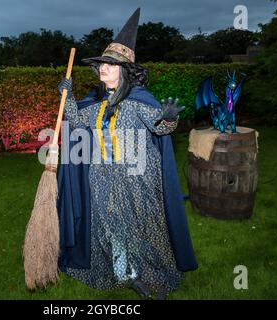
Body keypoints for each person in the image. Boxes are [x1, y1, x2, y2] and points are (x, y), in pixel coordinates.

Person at [56, 8, 197, 300]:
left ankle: (152, 273)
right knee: (111, 226)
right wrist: (66, 97)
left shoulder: (138, 102)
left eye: (110, 64)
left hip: (137, 177)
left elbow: (160, 129)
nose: (102, 69)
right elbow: (76, 122)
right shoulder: (95, 103)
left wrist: (169, 118)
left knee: (143, 225)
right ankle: (127, 273)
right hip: (101, 176)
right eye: (101, 65)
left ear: (125, 70)